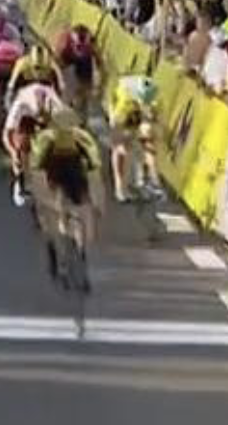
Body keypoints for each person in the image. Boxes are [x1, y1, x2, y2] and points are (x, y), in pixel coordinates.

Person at [30, 109, 106, 281]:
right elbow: (95, 173)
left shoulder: (46, 138)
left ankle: (65, 248)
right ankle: (71, 248)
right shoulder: (81, 137)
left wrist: (42, 201)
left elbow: (36, 173)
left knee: (58, 212)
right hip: (64, 171)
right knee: (69, 209)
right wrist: (98, 203)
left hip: (64, 172)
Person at [4, 83, 66, 206]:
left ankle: (57, 181)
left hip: (48, 115)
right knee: (20, 144)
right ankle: (20, 182)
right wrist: (13, 153)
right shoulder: (20, 105)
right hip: (25, 118)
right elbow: (6, 134)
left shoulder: (54, 103)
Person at [108, 75, 161, 203]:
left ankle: (134, 182)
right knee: (122, 150)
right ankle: (120, 187)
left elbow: (151, 116)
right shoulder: (125, 103)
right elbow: (117, 125)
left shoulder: (150, 90)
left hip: (129, 111)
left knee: (134, 148)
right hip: (120, 115)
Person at [54, 24, 102, 119]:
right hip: (67, 56)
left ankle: (80, 107)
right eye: (78, 47)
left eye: (82, 47)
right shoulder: (64, 44)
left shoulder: (89, 48)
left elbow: (99, 63)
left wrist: (96, 86)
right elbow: (55, 65)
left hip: (83, 59)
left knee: (85, 86)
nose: (79, 50)